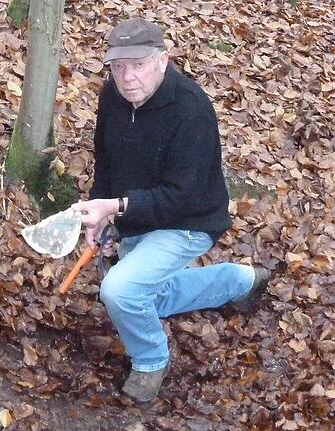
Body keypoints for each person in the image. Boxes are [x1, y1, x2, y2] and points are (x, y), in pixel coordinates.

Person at [71, 17, 271, 403]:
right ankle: (240, 281)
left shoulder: (191, 109)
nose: (128, 77)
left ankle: (150, 360)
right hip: (137, 214)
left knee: (120, 290)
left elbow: (180, 197)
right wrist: (100, 214)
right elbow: (106, 163)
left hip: (188, 221)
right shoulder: (112, 97)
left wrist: (115, 208)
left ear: (163, 60)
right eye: (118, 67)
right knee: (145, 296)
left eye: (139, 64)